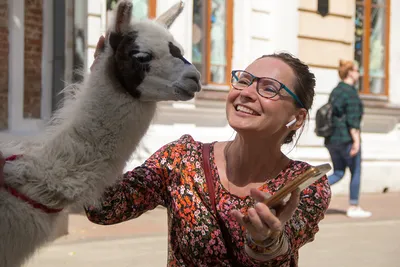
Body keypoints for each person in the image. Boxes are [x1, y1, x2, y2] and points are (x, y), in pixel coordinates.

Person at [0, 37, 331, 266]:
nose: (246, 93)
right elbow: (105, 207)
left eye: (269, 88)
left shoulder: (304, 184)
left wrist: (267, 240)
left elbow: (285, 241)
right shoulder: (182, 160)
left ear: (296, 117)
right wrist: (103, 104)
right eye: (244, 80)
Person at [324, 59, 371, 218]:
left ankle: (308, 189)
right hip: (346, 139)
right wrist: (356, 141)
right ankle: (354, 206)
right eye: (357, 70)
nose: (359, 73)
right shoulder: (350, 92)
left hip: (331, 139)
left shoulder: (336, 90)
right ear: (350, 72)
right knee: (355, 171)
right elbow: (352, 120)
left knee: (338, 172)